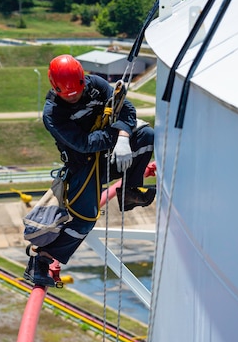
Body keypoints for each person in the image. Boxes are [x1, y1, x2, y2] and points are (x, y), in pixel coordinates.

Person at [24, 54, 155, 287]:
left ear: (83, 81)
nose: (74, 97)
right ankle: (40, 259)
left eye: (77, 91)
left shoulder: (96, 86)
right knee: (83, 221)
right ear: (55, 89)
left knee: (146, 136)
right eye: (68, 95)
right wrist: (119, 135)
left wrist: (125, 137)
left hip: (110, 155)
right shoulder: (53, 115)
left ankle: (130, 191)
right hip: (84, 165)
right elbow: (85, 143)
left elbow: (127, 110)